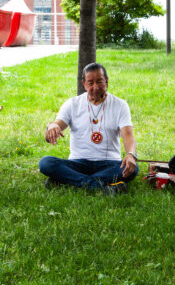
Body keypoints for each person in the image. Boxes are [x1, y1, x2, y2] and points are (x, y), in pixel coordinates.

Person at [39, 63, 139, 194]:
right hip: (78, 163)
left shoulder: (120, 105)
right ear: (84, 84)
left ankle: (66, 180)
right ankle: (101, 186)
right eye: (90, 83)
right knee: (46, 163)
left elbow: (128, 136)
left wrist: (130, 154)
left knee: (132, 168)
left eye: (100, 82)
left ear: (107, 80)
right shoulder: (72, 104)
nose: (96, 87)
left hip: (109, 164)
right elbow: (54, 128)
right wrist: (51, 126)